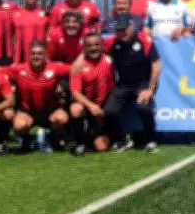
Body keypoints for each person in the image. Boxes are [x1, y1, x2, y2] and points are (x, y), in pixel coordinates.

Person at [101, 14, 161, 153]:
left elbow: (156, 65)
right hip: (123, 85)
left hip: (142, 84)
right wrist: (80, 58)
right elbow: (92, 47)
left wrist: (150, 89)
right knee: (109, 111)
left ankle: (151, 139)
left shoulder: (145, 40)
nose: (121, 33)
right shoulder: (112, 42)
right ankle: (123, 139)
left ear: (132, 28)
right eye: (118, 30)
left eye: (124, 30)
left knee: (143, 107)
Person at [6, 41, 71, 152]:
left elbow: (76, 69)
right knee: (19, 125)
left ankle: (53, 137)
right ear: (29, 55)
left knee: (61, 118)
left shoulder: (55, 67)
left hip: (51, 111)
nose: (36, 56)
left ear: (46, 55)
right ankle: (28, 140)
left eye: (40, 53)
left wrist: (63, 85)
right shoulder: (18, 69)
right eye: (33, 53)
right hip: (28, 112)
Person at [69, 33, 114, 156]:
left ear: (102, 45)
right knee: (75, 109)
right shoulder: (78, 66)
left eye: (96, 44)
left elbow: (122, 36)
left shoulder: (109, 60)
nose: (93, 48)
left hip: (103, 107)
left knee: (101, 147)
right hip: (87, 106)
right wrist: (91, 106)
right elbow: (75, 92)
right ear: (84, 48)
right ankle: (80, 142)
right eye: (89, 45)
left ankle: (112, 135)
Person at [11, 0, 49, 64]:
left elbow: (50, 36)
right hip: (19, 60)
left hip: (41, 59)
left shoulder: (46, 14)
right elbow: (11, 37)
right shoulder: (14, 14)